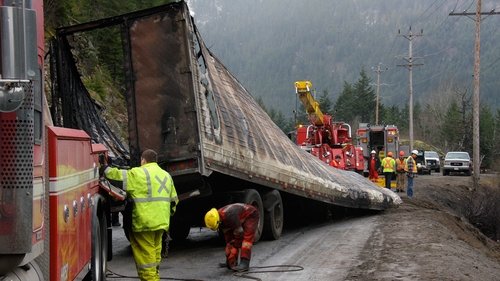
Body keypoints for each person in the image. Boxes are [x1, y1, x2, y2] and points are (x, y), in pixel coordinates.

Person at [102, 149, 178, 281]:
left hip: (144, 224)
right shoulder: (166, 175)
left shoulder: (139, 173)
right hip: (161, 224)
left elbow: (116, 176)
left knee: (147, 264)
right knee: (154, 259)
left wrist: (104, 167)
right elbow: (174, 201)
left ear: (143, 160)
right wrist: (164, 215)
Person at [204, 203, 259, 272]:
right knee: (231, 241)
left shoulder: (230, 215)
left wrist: (235, 248)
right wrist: (229, 254)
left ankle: (245, 263)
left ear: (218, 221)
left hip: (251, 215)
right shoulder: (219, 218)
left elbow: (239, 233)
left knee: (246, 240)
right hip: (237, 217)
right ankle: (232, 261)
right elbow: (228, 236)